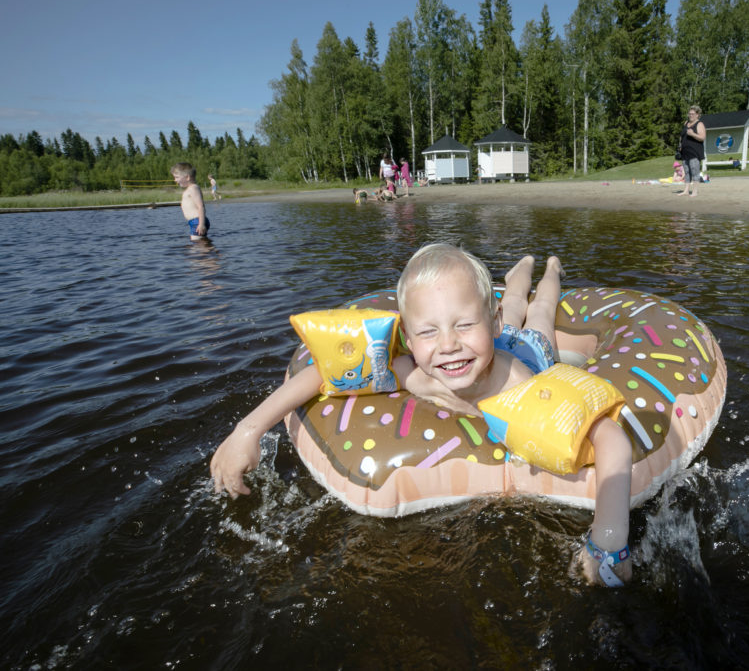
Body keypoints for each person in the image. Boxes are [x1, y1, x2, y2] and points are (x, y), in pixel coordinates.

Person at [210, 244, 634, 586]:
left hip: (527, 352)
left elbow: (611, 438)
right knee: (518, 301)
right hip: (494, 340)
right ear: (408, 340)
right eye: (429, 332)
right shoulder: (414, 373)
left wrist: (608, 540)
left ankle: (549, 272)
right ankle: (518, 270)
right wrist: (246, 431)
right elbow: (326, 373)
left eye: (464, 325)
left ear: (490, 321)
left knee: (538, 312)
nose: (448, 345)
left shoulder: (521, 389)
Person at [172, 162, 208, 240]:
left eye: (177, 177)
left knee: (197, 246)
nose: (175, 180)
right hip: (195, 222)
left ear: (187, 177)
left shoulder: (193, 188)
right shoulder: (190, 189)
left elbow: (201, 206)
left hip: (197, 221)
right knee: (201, 246)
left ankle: (216, 252)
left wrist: (201, 224)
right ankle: (215, 252)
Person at [676, 105, 706, 197]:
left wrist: (693, 134)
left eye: (693, 114)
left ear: (697, 115)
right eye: (689, 114)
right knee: (687, 171)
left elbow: (702, 137)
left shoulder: (699, 124)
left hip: (694, 152)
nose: (690, 115)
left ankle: (695, 191)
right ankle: (686, 190)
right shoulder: (686, 123)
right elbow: (682, 136)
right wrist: (680, 145)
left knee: (694, 171)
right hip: (685, 152)